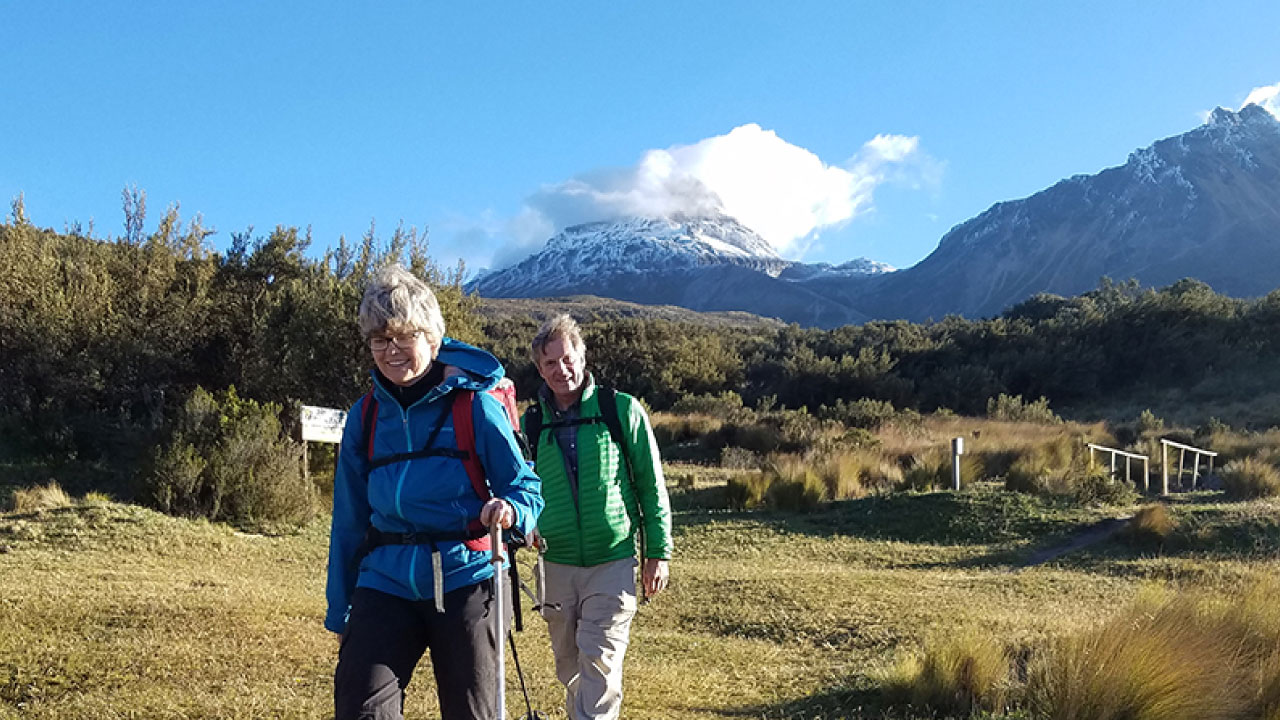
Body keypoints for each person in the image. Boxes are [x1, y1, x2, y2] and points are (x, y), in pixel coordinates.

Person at [325, 264, 542, 720]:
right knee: (360, 706)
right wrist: (340, 610)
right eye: (379, 339)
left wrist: (511, 511)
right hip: (384, 578)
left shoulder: (474, 406)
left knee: (471, 712)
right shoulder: (364, 416)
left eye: (404, 336)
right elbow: (347, 519)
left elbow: (525, 485)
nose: (391, 350)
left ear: (432, 339)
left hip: (466, 576)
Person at [523, 314, 673, 720]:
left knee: (599, 659)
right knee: (569, 664)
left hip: (612, 560)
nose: (561, 370)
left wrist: (657, 552)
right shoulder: (531, 423)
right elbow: (521, 488)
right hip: (555, 563)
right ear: (540, 368)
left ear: (582, 357)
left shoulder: (620, 410)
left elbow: (650, 486)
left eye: (568, 358)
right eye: (550, 363)